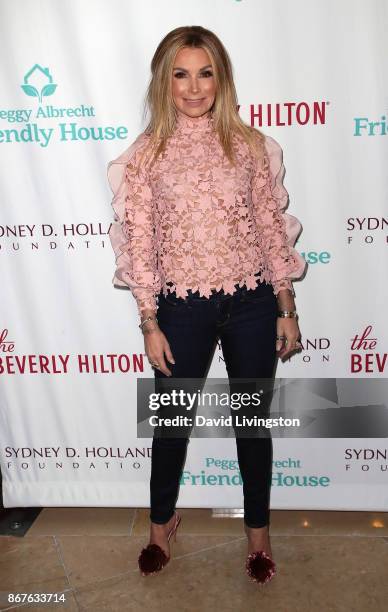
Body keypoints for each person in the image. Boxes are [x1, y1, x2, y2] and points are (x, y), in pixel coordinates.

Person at [107, 25, 306, 585]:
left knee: (251, 423)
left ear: (221, 79)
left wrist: (286, 304)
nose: (194, 88)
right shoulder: (146, 155)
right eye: (180, 74)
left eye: (205, 73)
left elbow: (270, 228)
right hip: (181, 310)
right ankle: (160, 524)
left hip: (252, 303)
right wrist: (148, 319)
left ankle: (258, 536)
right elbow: (139, 241)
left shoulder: (248, 145)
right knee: (171, 424)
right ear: (163, 81)